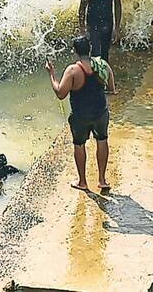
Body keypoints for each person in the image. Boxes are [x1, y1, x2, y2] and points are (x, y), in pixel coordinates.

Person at [46, 36, 115, 192]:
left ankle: (83, 182)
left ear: (75, 51)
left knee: (79, 144)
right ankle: (102, 180)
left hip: (80, 116)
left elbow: (60, 93)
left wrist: (51, 74)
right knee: (102, 140)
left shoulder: (72, 70)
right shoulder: (102, 65)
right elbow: (111, 89)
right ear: (89, 48)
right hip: (100, 112)